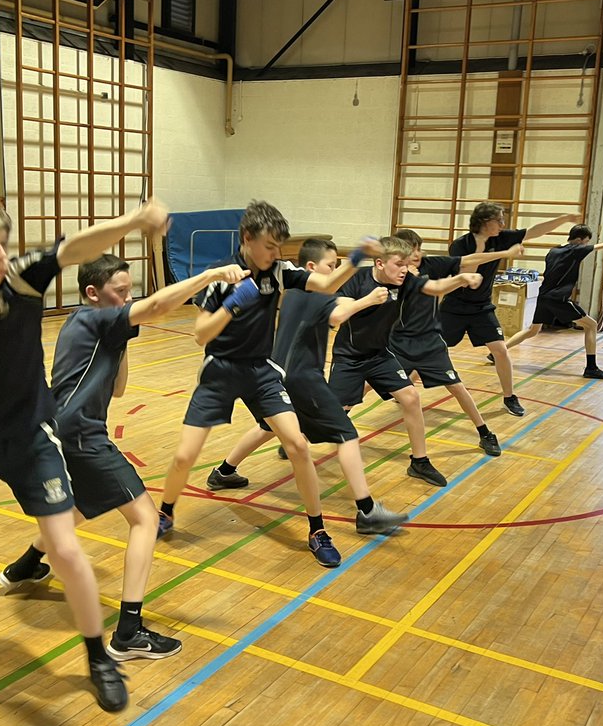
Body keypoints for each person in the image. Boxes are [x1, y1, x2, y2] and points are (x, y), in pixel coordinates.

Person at [0, 194, 170, 714]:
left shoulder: (19, 279)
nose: (2, 256)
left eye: (3, 244)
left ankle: (98, 658)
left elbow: (74, 247)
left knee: (65, 551)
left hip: (31, 439)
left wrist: (134, 221)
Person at [0, 253, 250, 662]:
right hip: (81, 434)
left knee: (82, 505)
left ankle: (26, 565)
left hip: (63, 431)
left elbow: (117, 389)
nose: (128, 298)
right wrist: (209, 274)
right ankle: (129, 631)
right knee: (146, 518)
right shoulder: (91, 319)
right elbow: (156, 306)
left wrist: (123, 336)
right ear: (92, 293)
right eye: (120, 292)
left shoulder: (95, 324)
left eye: (129, 290)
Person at [155, 201, 382, 570]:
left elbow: (325, 284)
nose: (276, 254)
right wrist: (233, 307)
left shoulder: (277, 271)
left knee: (297, 444)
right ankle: (165, 512)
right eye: (270, 247)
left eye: (280, 248)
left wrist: (356, 256)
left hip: (260, 371)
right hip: (220, 371)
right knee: (184, 456)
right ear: (247, 239)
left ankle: (317, 530)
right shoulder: (221, 277)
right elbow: (200, 335)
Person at [207, 238, 409, 536]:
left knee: (268, 426)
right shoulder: (315, 291)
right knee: (347, 434)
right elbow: (338, 313)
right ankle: (367, 511)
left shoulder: (292, 291)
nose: (335, 270)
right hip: (302, 378)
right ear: (312, 267)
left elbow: (338, 304)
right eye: (331, 265)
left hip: (274, 374)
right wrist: (368, 300)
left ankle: (223, 472)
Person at [329, 236, 482, 488]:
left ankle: (419, 462)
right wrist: (368, 300)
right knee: (335, 413)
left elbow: (435, 288)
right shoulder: (356, 279)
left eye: (406, 264)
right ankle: (298, 436)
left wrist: (461, 279)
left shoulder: (406, 281)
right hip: (350, 358)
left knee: (411, 398)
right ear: (379, 263)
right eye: (398, 264)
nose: (404, 270)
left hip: (380, 355)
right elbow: (337, 315)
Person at [440, 202, 579, 417]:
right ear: (486, 223)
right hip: (453, 308)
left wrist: (565, 218)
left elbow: (534, 231)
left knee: (501, 350)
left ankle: (509, 397)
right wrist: (503, 252)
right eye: (499, 220)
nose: (503, 224)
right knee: (432, 348)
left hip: (481, 308)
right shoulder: (460, 245)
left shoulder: (502, 237)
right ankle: (402, 388)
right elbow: (470, 275)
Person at [390, 229, 503, 458]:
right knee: (362, 386)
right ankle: (315, 430)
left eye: (419, 248)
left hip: (430, 344)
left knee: (457, 387)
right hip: (399, 344)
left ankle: (485, 433)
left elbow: (466, 261)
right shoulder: (392, 276)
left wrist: (502, 251)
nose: (417, 254)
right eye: (412, 250)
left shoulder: (432, 265)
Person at [499, 226, 603, 378]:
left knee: (533, 330)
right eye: (586, 241)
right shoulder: (576, 250)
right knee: (592, 325)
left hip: (543, 296)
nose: (586, 245)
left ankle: (497, 353)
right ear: (579, 240)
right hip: (557, 298)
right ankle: (591, 368)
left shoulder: (553, 251)